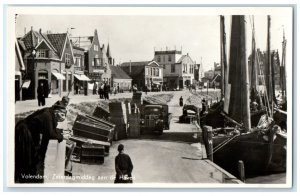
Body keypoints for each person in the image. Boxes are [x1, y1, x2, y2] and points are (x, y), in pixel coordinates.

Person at [15, 102, 67, 183]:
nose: (64, 118)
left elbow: (51, 129)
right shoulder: (47, 116)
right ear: (57, 112)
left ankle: (28, 175)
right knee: (26, 155)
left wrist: (61, 132)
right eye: (63, 115)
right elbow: (50, 133)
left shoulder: (50, 113)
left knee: (32, 154)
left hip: (30, 131)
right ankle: (24, 177)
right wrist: (62, 137)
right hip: (24, 131)